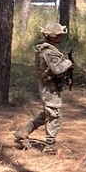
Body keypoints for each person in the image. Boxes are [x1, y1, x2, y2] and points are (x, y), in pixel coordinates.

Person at [13, 22, 74, 151]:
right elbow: (57, 69)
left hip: (51, 85)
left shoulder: (48, 49)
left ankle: (24, 131)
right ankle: (50, 146)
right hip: (49, 87)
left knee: (49, 113)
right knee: (54, 115)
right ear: (55, 37)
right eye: (60, 35)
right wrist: (68, 63)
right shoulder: (49, 52)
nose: (62, 37)